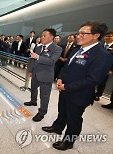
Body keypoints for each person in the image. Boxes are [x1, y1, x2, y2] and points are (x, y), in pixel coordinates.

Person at [42, 21, 113, 151]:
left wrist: (67, 87)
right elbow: (66, 66)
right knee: (62, 111)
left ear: (96, 35)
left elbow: (93, 79)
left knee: (73, 118)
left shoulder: (102, 55)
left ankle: (68, 142)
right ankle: (57, 127)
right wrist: (60, 78)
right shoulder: (77, 49)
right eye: (78, 33)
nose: (78, 36)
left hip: (79, 94)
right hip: (65, 89)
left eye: (83, 33)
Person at [24, 29, 62, 122]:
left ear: (52, 37)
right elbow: (33, 60)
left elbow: (51, 61)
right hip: (35, 73)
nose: (42, 37)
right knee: (33, 88)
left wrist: (38, 57)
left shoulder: (57, 49)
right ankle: (33, 101)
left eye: (44, 35)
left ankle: (41, 113)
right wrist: (31, 70)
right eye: (42, 35)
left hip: (46, 76)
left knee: (44, 96)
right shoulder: (39, 47)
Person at [95, 32, 113, 101]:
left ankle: (98, 95)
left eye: (110, 36)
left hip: (106, 68)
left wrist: (111, 70)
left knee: (102, 82)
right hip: (95, 66)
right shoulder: (99, 45)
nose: (108, 37)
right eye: (106, 36)